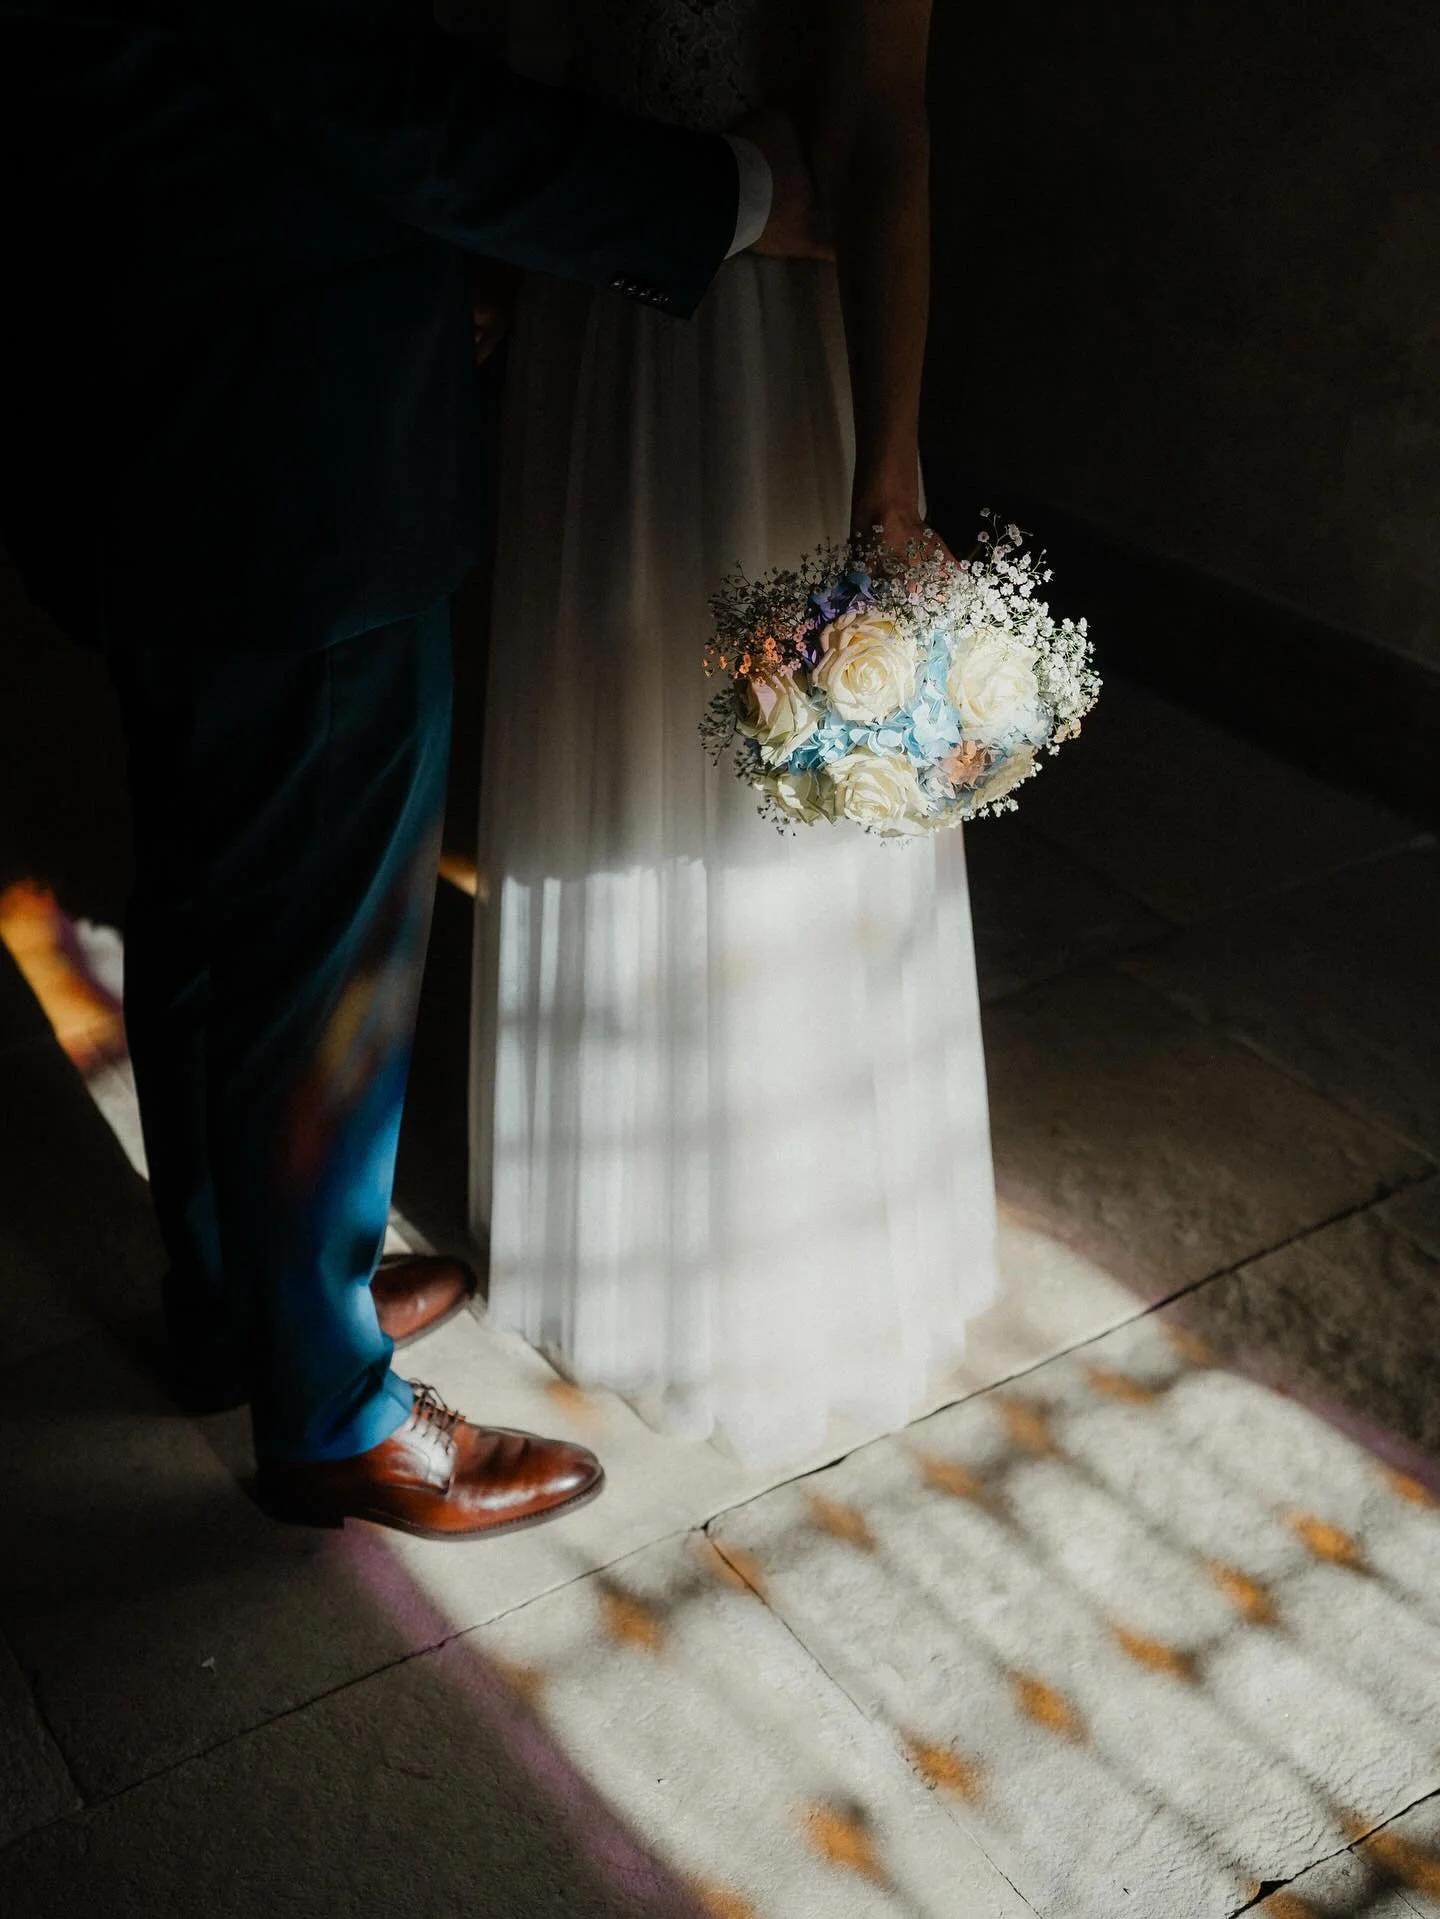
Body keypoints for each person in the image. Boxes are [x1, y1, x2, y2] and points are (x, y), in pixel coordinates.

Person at [0, 0, 824, 1537]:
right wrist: (741, 198)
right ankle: (332, 1410)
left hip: (154, 410)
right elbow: (382, 96)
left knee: (203, 891)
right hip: (289, 467)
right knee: (329, 961)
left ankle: (242, 1291)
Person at [472, 0, 1000, 1471]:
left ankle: (776, 1258)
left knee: (755, 767)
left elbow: (884, 124)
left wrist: (887, 468)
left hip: (756, 344)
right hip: (593, 313)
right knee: (602, 720)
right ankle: (617, 1224)